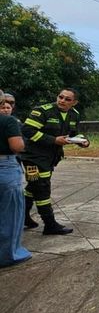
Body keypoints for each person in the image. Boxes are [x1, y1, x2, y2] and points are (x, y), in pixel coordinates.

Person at [21, 88, 89, 235]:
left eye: (67, 99)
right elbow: (27, 130)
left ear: (74, 103)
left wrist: (82, 141)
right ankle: (49, 224)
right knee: (42, 187)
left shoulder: (74, 115)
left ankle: (23, 217)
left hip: (50, 158)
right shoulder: (42, 111)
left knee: (33, 187)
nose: (62, 101)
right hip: (32, 157)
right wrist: (53, 140)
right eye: (60, 97)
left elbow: (73, 133)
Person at [0, 90, 32, 267]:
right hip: (4, 167)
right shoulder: (8, 121)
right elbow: (17, 146)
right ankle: (9, 255)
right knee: (10, 214)